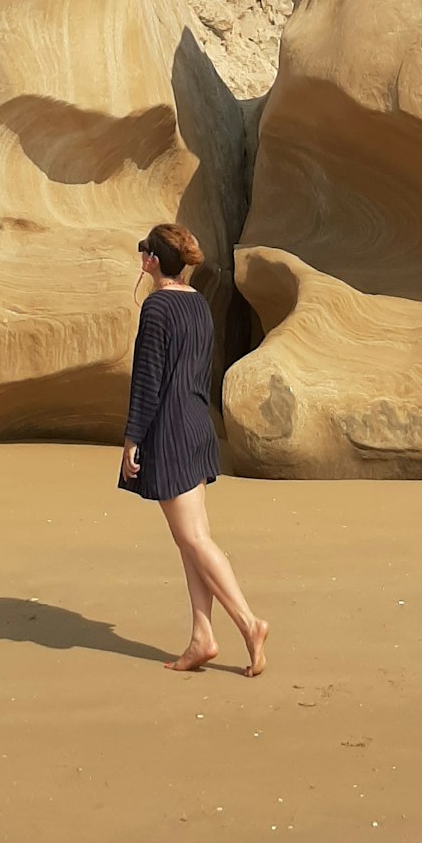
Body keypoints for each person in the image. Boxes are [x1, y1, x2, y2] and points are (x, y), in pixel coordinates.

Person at [119, 222, 269, 677]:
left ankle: (248, 623)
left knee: (195, 539)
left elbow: (147, 380)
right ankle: (202, 637)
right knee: (190, 540)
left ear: (152, 260)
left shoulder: (157, 307)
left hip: (169, 430)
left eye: (144, 250)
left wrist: (131, 438)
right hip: (197, 423)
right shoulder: (198, 305)